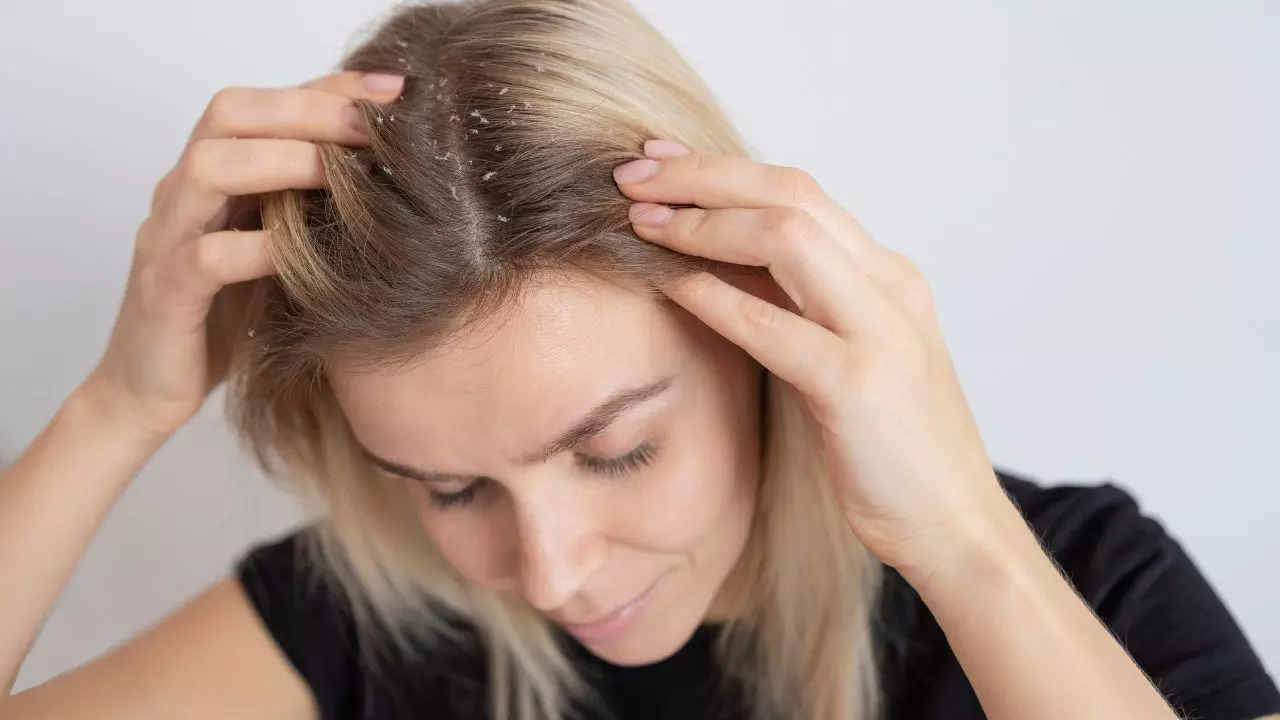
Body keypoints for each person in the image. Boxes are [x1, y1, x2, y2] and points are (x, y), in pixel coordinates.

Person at [1, 1, 1275, 718]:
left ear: (758, 328)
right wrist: (119, 409)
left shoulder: (1084, 592)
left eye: (616, 449)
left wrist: (964, 547)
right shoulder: (361, 621)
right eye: (445, 489)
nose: (547, 572)